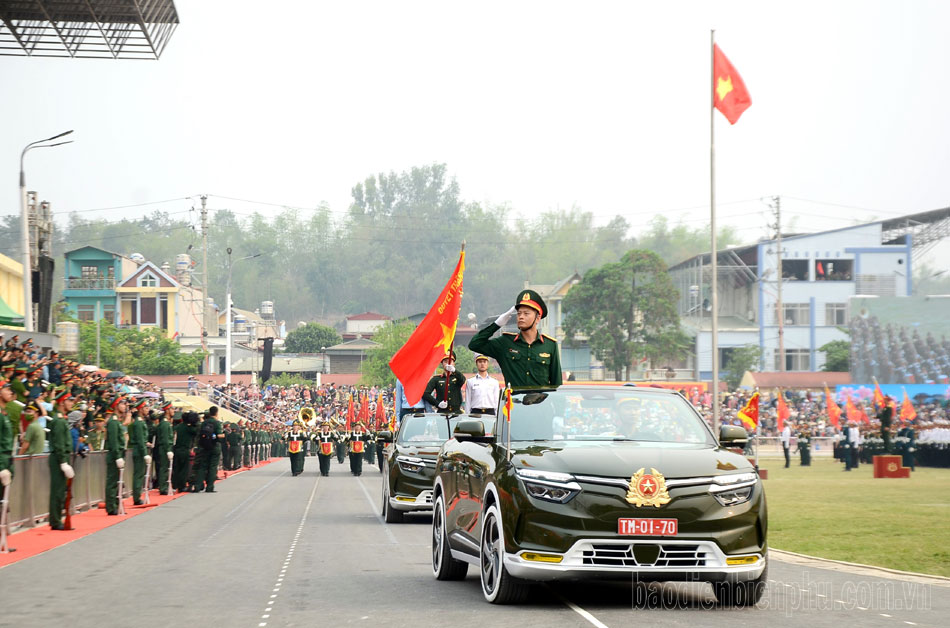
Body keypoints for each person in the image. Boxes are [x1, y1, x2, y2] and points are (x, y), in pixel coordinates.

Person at [469, 289, 563, 388]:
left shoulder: (549, 345)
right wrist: (497, 324)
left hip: (541, 403)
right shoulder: (505, 343)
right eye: (519, 313)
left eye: (526, 314)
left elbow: (556, 384)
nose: (521, 317)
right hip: (514, 402)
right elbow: (475, 344)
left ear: (538, 318)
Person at [104, 397, 127, 515]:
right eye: (122, 404)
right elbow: (113, 442)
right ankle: (111, 506)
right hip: (114, 456)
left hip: (118, 455)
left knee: (118, 482)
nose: (125, 406)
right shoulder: (113, 422)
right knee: (112, 482)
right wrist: (118, 456)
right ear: (116, 406)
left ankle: (116, 505)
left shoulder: (117, 421)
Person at [193, 407, 224, 492]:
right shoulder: (217, 423)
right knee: (212, 467)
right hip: (215, 447)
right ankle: (209, 487)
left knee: (202, 466)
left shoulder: (204, 423)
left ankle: (197, 485)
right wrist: (223, 436)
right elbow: (219, 435)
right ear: (216, 413)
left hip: (205, 446)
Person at [128, 399, 149, 505]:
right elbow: (141, 440)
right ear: (140, 409)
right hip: (139, 451)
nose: (147, 410)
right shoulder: (139, 423)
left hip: (140, 449)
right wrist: (145, 453)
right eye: (145, 408)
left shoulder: (140, 422)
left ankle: (137, 495)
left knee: (140, 474)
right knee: (138, 474)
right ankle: (136, 497)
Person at [172, 411, 198, 492]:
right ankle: (182, 486)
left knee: (176, 468)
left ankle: (174, 485)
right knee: (184, 469)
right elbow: (196, 431)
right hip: (184, 450)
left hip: (176, 449)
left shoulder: (177, 427)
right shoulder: (189, 428)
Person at [154, 403, 174, 494]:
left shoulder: (166, 423)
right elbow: (166, 439)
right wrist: (168, 450)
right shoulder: (165, 424)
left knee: (165, 468)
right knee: (164, 468)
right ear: (167, 411)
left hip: (165, 447)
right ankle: (163, 487)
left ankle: (164, 486)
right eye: (172, 409)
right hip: (164, 448)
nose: (173, 411)